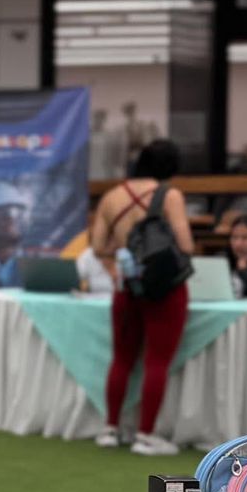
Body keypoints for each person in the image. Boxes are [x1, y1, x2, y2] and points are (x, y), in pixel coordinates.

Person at [89, 139, 193, 456]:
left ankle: (110, 428)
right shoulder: (170, 196)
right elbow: (186, 245)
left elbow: (97, 247)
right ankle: (145, 435)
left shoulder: (111, 197)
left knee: (122, 358)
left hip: (127, 285)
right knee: (157, 361)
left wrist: (120, 259)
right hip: (164, 289)